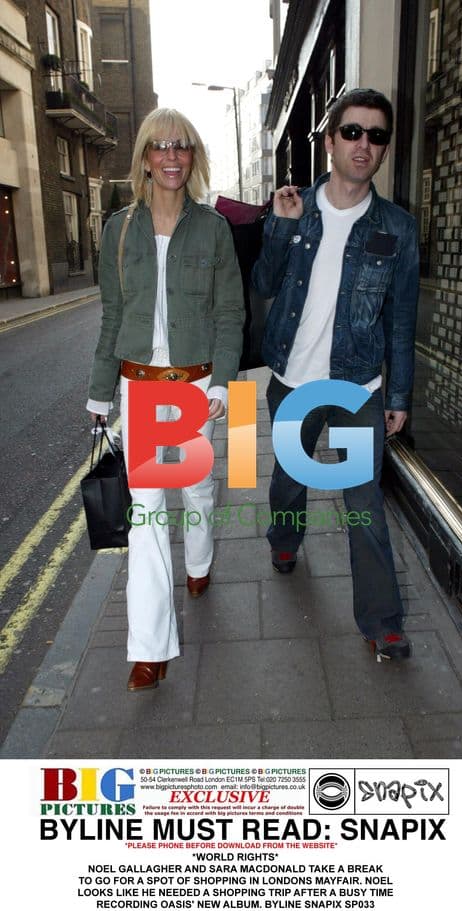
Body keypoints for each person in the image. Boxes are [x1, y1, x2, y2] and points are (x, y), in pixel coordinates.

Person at [252, 88, 419, 661]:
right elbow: (264, 284)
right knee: (289, 478)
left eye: (376, 135)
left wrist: (398, 394)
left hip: (357, 388)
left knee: (364, 506)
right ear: (330, 141)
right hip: (293, 381)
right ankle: (283, 537)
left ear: (384, 148)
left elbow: (401, 318)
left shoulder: (398, 227)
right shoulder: (296, 207)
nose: (363, 144)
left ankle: (382, 622)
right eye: (352, 132)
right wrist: (279, 228)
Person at [87, 108, 244, 691]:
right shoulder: (118, 230)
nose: (171, 156)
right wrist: (100, 391)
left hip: (198, 382)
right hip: (141, 385)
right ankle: (150, 648)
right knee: (147, 514)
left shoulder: (213, 229)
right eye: (161, 146)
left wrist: (224, 381)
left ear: (192, 157)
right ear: (145, 159)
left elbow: (230, 312)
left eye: (181, 146)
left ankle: (199, 562)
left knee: (197, 485)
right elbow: (111, 316)